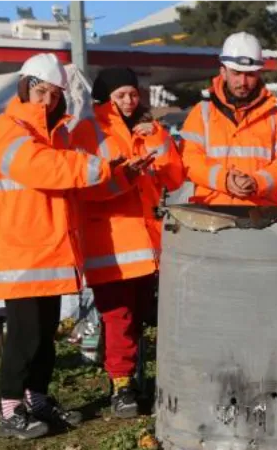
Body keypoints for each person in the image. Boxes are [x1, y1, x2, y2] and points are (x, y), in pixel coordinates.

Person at [0, 53, 153, 439]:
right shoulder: (9, 131)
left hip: (48, 253)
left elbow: (76, 186)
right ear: (25, 87)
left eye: (55, 95)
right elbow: (46, 169)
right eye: (41, 93)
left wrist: (119, 174)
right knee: (24, 337)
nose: (48, 102)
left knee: (44, 335)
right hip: (19, 256)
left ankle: (36, 400)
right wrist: (102, 166)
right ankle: (10, 409)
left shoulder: (53, 135)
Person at [74, 67, 184, 418]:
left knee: (141, 318)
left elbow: (176, 175)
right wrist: (126, 177)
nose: (129, 101)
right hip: (110, 245)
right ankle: (121, 387)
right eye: (121, 95)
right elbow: (86, 190)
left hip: (148, 245)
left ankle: (138, 382)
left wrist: (156, 139)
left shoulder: (149, 130)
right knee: (119, 318)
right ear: (106, 98)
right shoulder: (89, 131)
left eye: (133, 94)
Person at [180, 32, 277, 206]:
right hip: (212, 216)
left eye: (249, 74)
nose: (242, 82)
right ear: (223, 71)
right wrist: (225, 179)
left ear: (259, 73)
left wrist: (258, 182)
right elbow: (189, 159)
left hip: (262, 218)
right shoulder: (202, 113)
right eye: (236, 73)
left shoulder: (275, 117)